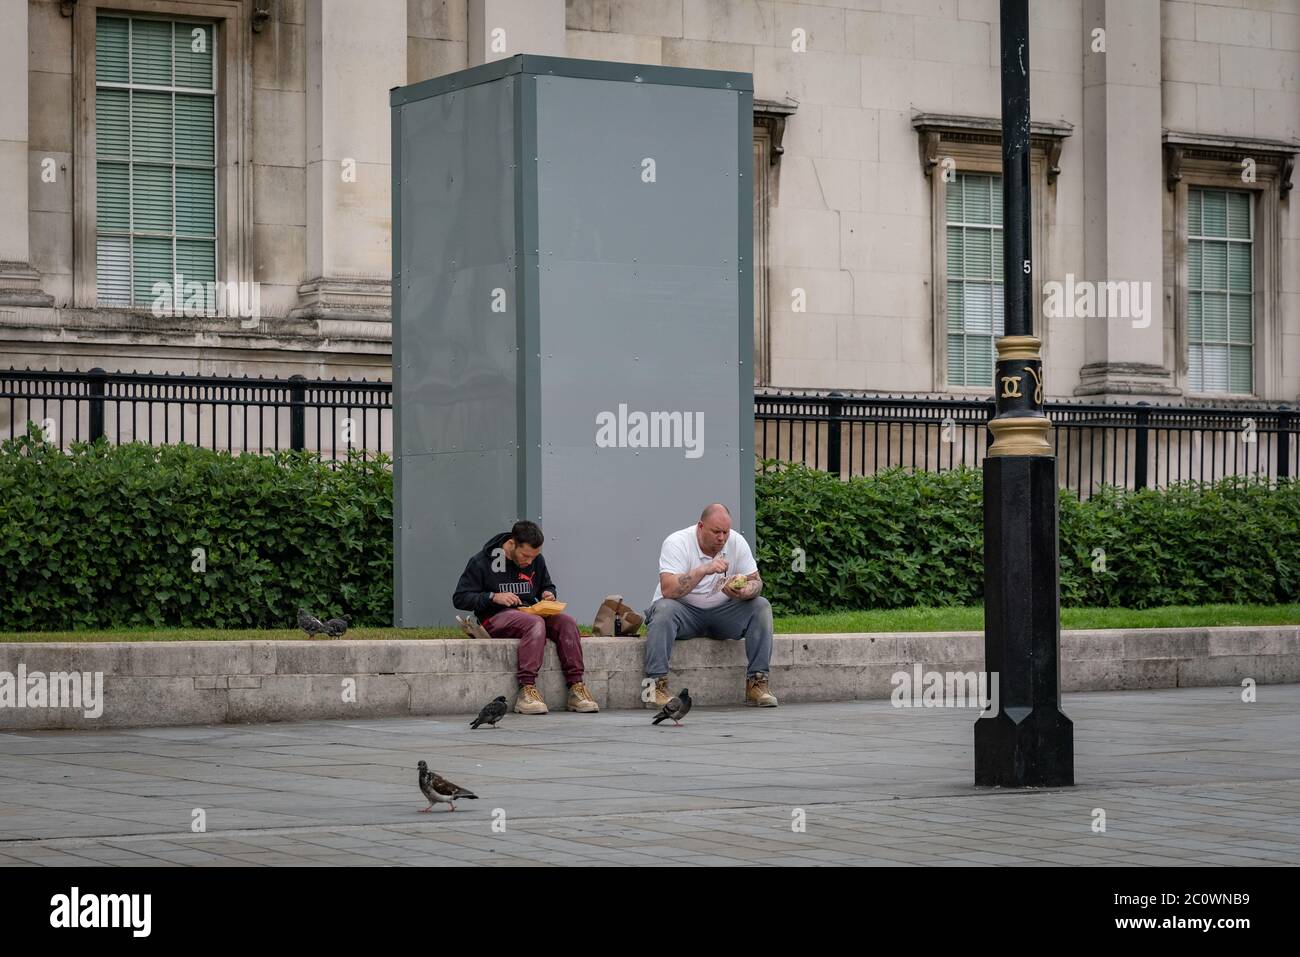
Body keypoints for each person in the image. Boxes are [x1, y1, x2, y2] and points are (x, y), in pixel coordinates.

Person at [452, 520, 598, 715]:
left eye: (533, 557)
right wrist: (493, 596)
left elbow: (547, 584)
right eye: (525, 555)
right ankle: (526, 690)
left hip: (529, 612)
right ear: (512, 543)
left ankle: (576, 688)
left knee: (567, 622)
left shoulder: (536, 560)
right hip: (495, 618)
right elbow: (460, 598)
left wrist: (548, 593)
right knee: (535, 624)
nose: (529, 562)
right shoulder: (481, 561)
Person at [642, 504, 777, 709]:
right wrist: (703, 570)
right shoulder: (677, 542)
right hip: (683, 613)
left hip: (722, 614)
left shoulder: (736, 542)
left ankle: (757, 683)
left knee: (761, 606)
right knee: (663, 610)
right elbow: (668, 590)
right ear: (700, 526)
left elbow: (757, 582)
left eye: (725, 532)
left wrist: (745, 591)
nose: (722, 538)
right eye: (716, 532)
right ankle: (654, 689)